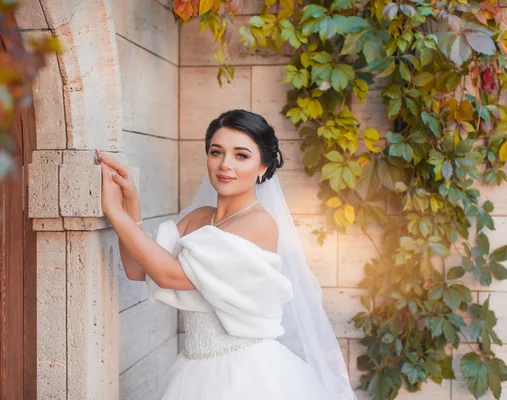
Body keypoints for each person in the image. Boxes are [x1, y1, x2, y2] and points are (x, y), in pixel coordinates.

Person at [98, 109, 356, 400]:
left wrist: (114, 212)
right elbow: (138, 269)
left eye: (241, 155)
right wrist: (130, 202)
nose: (224, 165)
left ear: (263, 167)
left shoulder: (258, 223)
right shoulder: (197, 217)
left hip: (245, 375)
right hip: (192, 370)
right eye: (216, 152)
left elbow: (169, 275)